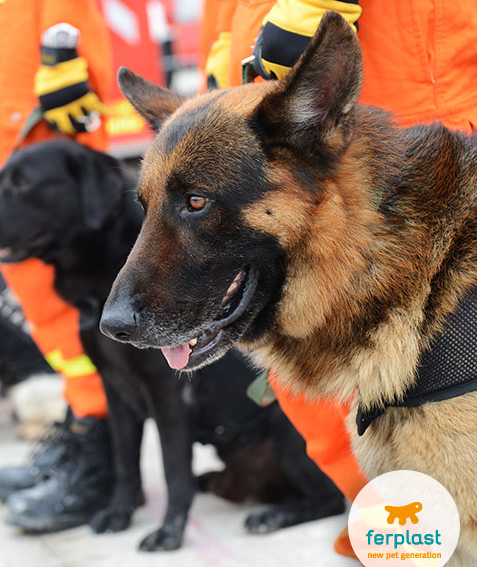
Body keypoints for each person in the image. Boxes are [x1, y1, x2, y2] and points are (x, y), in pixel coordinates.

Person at [201, 0, 477, 558]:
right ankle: (401, 535)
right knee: (311, 362)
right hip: (275, 55)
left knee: (436, 400)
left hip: (382, 74)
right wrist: (223, 46)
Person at [0, 0, 115, 533]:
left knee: (70, 309)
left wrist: (64, 51)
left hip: (37, 116)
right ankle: (82, 420)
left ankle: (99, 454)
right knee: (45, 311)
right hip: (1, 126)